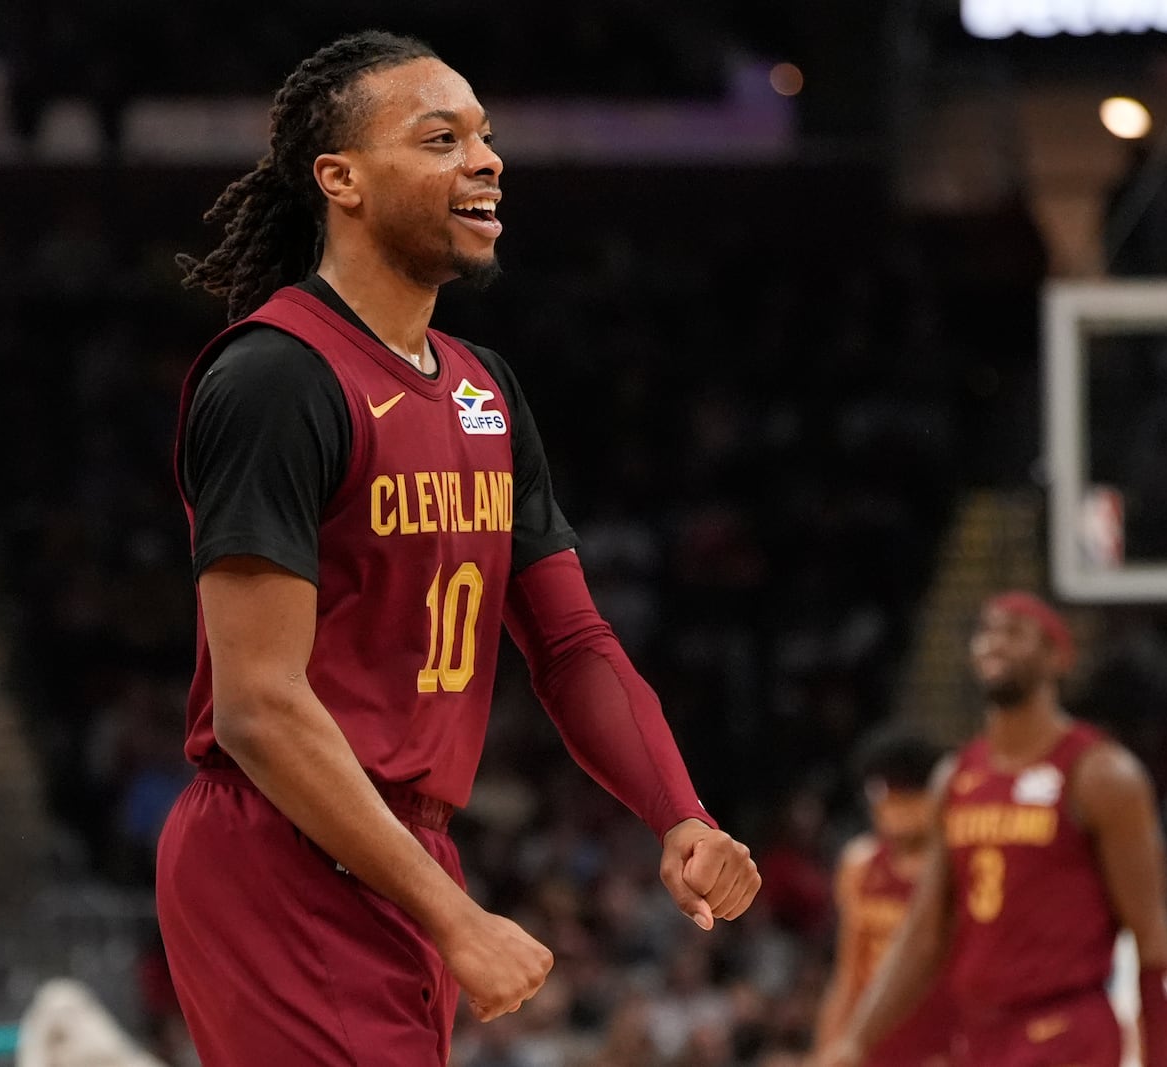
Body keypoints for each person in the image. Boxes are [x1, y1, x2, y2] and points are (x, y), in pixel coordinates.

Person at [156, 29, 762, 1067]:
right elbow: (258, 706)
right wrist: (456, 914)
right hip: (284, 843)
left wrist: (681, 813)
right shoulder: (277, 377)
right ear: (338, 178)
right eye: (441, 139)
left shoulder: (482, 386)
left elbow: (569, 641)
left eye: (484, 136)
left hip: (396, 844)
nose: (485, 159)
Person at [818, 592, 1167, 1067]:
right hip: (980, 1036)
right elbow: (924, 933)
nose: (995, 641)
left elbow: (1153, 936)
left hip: (1066, 1030)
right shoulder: (956, 777)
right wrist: (855, 1040)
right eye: (987, 631)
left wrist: (1159, 1058)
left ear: (1058, 656)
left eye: (1014, 632)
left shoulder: (1100, 774)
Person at [813, 730, 954, 1067]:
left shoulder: (958, 868)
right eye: (882, 796)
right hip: (873, 1048)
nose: (892, 808)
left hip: (945, 1048)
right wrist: (827, 1049)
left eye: (903, 796)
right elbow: (848, 972)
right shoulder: (859, 864)